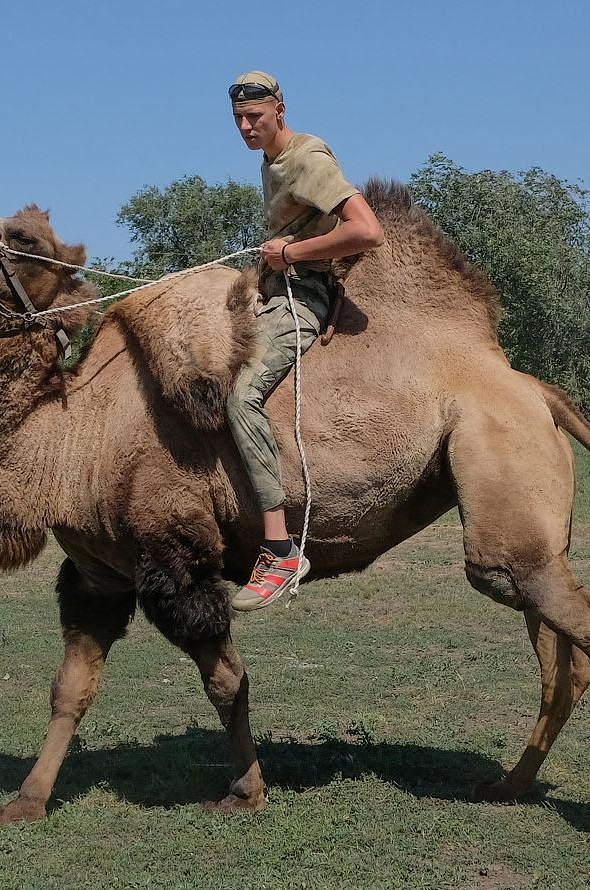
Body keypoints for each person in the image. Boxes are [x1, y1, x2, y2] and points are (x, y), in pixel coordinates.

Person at [225, 70, 384, 612]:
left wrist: (289, 255)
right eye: (239, 120)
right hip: (276, 287)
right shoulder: (270, 161)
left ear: (280, 110)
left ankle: (279, 549)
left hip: (300, 298)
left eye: (256, 117)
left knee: (242, 396)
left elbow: (367, 230)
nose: (246, 127)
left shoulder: (305, 159)